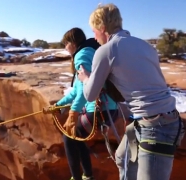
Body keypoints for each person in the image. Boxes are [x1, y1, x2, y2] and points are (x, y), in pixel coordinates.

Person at [77, 3, 185, 180]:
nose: (94, 37)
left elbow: (90, 95)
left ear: (102, 28)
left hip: (155, 128)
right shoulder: (145, 46)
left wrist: (85, 78)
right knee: (123, 158)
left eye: (94, 31)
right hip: (157, 120)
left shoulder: (106, 50)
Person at [54, 27, 118, 180]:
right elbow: (77, 90)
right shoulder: (91, 52)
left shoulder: (81, 56)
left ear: (73, 43)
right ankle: (87, 176)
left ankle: (77, 177)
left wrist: (73, 112)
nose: (65, 47)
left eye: (66, 43)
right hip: (110, 108)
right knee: (78, 137)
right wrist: (58, 105)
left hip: (99, 109)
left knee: (69, 137)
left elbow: (85, 89)